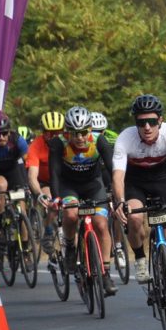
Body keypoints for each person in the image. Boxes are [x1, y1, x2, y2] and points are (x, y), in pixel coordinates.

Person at [111, 94, 166, 326]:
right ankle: (140, 258)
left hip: (162, 184)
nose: (146, 127)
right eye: (141, 122)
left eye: (151, 121)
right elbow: (118, 176)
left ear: (160, 120)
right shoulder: (125, 139)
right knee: (136, 217)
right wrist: (120, 201)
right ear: (135, 123)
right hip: (135, 185)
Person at [49, 106, 118, 295]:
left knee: (101, 224)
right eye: (74, 133)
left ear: (90, 130)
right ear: (67, 132)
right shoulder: (58, 143)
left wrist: (116, 192)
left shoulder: (99, 141)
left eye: (83, 132)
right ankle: (70, 246)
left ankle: (105, 273)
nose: (79, 137)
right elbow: (54, 173)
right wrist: (56, 198)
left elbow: (112, 169)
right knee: (70, 215)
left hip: (93, 185)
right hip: (69, 186)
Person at [27, 111, 65, 252]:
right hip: (44, 182)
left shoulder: (68, 141)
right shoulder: (36, 146)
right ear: (43, 132)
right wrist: (39, 194)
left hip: (63, 179)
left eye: (58, 132)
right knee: (52, 201)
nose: (54, 136)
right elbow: (32, 176)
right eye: (50, 133)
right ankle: (48, 231)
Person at [0, 115, 30, 245]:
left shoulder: (18, 141)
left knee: (22, 209)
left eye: (4, 133)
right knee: (2, 186)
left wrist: (26, 184)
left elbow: (26, 161)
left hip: (14, 168)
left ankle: (25, 245)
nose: (1, 137)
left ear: (9, 132)